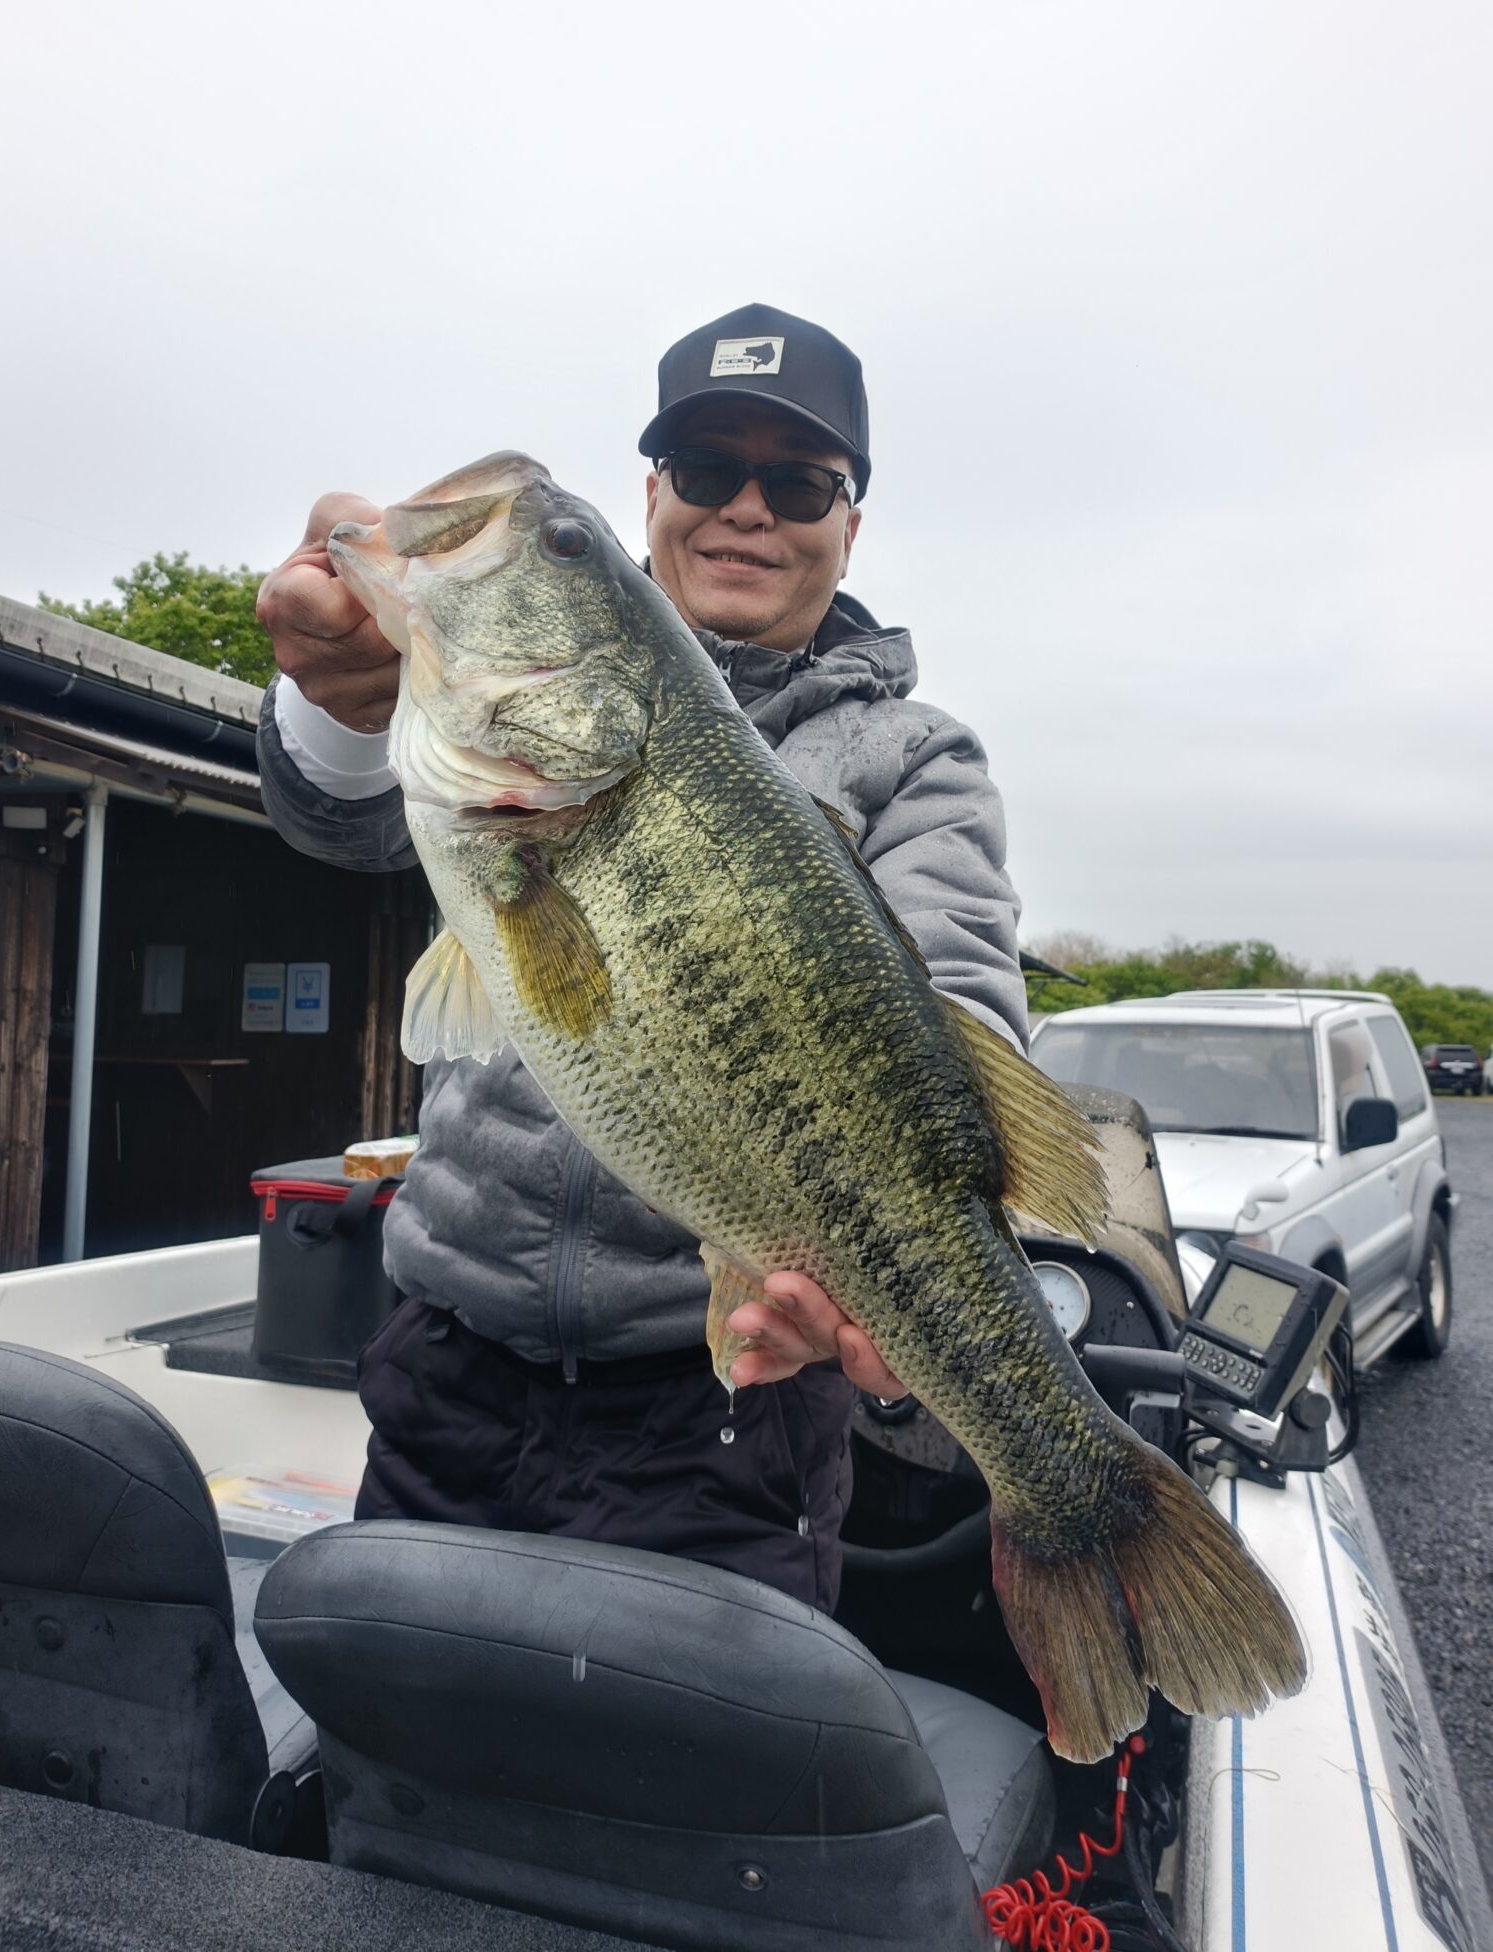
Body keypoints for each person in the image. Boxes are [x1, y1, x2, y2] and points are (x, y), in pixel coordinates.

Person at [255, 303, 1029, 1615]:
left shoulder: (915, 759)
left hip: (727, 1414)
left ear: (850, 525)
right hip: (447, 1371)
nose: (749, 510)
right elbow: (340, 820)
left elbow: (963, 1016)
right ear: (655, 495)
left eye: (798, 483)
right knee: (405, 1722)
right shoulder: (488, 727)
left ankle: (1066, 1501)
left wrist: (896, 1295)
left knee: (691, 1750)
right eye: (708, 469)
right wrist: (342, 694)